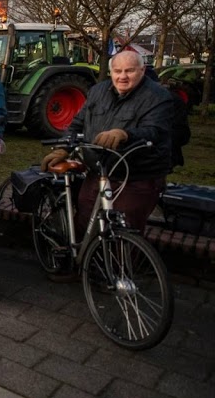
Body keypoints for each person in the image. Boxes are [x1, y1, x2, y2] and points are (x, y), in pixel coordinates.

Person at [40, 49, 174, 249]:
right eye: (117, 71)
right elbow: (77, 123)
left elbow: (155, 131)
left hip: (136, 175)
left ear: (142, 70)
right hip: (99, 170)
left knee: (124, 229)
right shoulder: (98, 91)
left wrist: (125, 134)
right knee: (86, 221)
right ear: (111, 72)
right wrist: (64, 148)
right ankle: (84, 269)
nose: (122, 76)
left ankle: (120, 276)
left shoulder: (158, 97)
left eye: (129, 71)